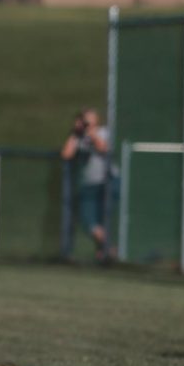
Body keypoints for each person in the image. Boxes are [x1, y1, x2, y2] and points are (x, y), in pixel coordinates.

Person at [60, 108, 118, 262]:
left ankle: (105, 252)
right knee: (88, 220)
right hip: (89, 185)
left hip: (107, 182)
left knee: (104, 219)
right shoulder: (78, 137)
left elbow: (103, 148)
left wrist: (91, 133)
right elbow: (66, 154)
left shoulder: (104, 132)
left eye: (89, 122)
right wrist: (75, 133)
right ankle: (109, 250)